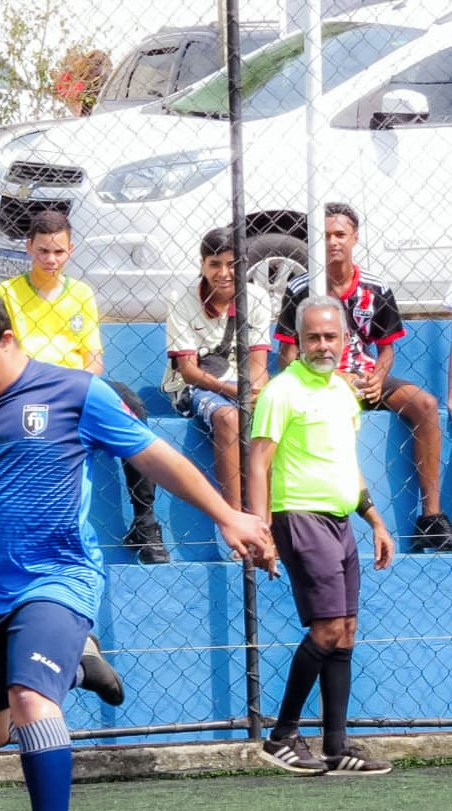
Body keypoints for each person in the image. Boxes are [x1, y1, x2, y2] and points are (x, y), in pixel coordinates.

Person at [0, 282, 272, 811]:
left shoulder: (76, 392)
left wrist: (227, 514)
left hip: (57, 578)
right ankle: (76, 666)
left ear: (6, 340)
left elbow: (153, 456)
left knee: (30, 698)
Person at [250, 296, 394, 776]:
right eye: (313, 337)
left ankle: (336, 746)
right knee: (327, 629)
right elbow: (259, 463)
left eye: (331, 336)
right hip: (299, 516)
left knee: (346, 630)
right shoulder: (281, 391)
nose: (323, 345)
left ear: (345, 339)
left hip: (341, 519)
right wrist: (261, 531)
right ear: (297, 340)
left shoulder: (343, 392)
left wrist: (374, 520)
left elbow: (346, 464)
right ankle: (281, 736)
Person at [275, 202, 452, 552]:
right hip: (320, 379)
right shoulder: (300, 289)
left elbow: (386, 349)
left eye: (340, 234)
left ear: (354, 237)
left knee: (425, 405)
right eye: (325, 235)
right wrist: (328, 378)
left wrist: (377, 377)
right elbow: (287, 355)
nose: (333, 242)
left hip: (366, 376)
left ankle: (431, 517)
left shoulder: (375, 287)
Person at [0, 210, 170, 564]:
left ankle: (145, 521)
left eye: (58, 251)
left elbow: (95, 360)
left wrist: (76, 383)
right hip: (29, 385)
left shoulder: (81, 293)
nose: (51, 259)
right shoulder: (7, 293)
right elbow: (6, 354)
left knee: (133, 407)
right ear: (29, 248)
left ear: (71, 250)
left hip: (79, 383)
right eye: (43, 251)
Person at [164, 227, 271, 555]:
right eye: (214, 264)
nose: (224, 273)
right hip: (195, 386)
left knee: (274, 415)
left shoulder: (257, 298)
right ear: (202, 264)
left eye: (231, 264)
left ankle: (267, 522)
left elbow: (259, 364)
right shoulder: (182, 300)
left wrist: (256, 391)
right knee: (227, 417)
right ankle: (235, 518)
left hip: (241, 382)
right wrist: (231, 390)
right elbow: (188, 371)